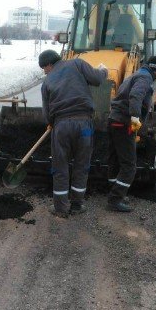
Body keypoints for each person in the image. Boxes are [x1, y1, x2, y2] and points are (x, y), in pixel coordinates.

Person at [39, 49, 108, 218]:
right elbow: (98, 79)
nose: (45, 71)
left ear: (49, 64)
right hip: (84, 124)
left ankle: (61, 208)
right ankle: (77, 205)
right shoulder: (77, 63)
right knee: (82, 164)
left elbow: (47, 113)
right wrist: (103, 70)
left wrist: (51, 123)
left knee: (60, 166)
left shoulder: (46, 82)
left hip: (62, 126)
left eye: (44, 68)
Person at [106, 54, 156, 212]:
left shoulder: (136, 74)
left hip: (113, 120)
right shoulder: (145, 78)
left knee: (115, 159)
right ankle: (115, 199)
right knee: (129, 166)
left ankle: (114, 190)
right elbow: (135, 96)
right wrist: (134, 119)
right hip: (124, 123)